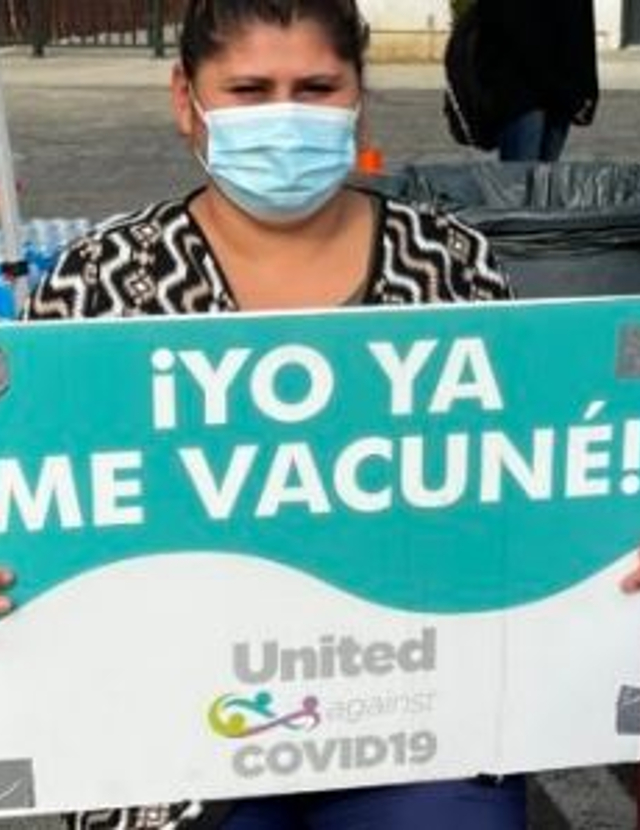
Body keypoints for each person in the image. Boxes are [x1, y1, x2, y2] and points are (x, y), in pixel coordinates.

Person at [0, 0, 635, 828]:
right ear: (185, 99)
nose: (284, 116)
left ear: (358, 96)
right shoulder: (101, 282)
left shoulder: (449, 265)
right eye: (250, 89)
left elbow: (520, 484)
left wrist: (609, 548)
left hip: (420, 721)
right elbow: (46, 484)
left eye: (316, 87)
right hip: (162, 734)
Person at [476, 0, 599, 161]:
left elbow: (582, 22)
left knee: (544, 180)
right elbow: (507, 22)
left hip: (563, 95)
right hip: (522, 90)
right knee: (519, 180)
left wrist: (589, 87)